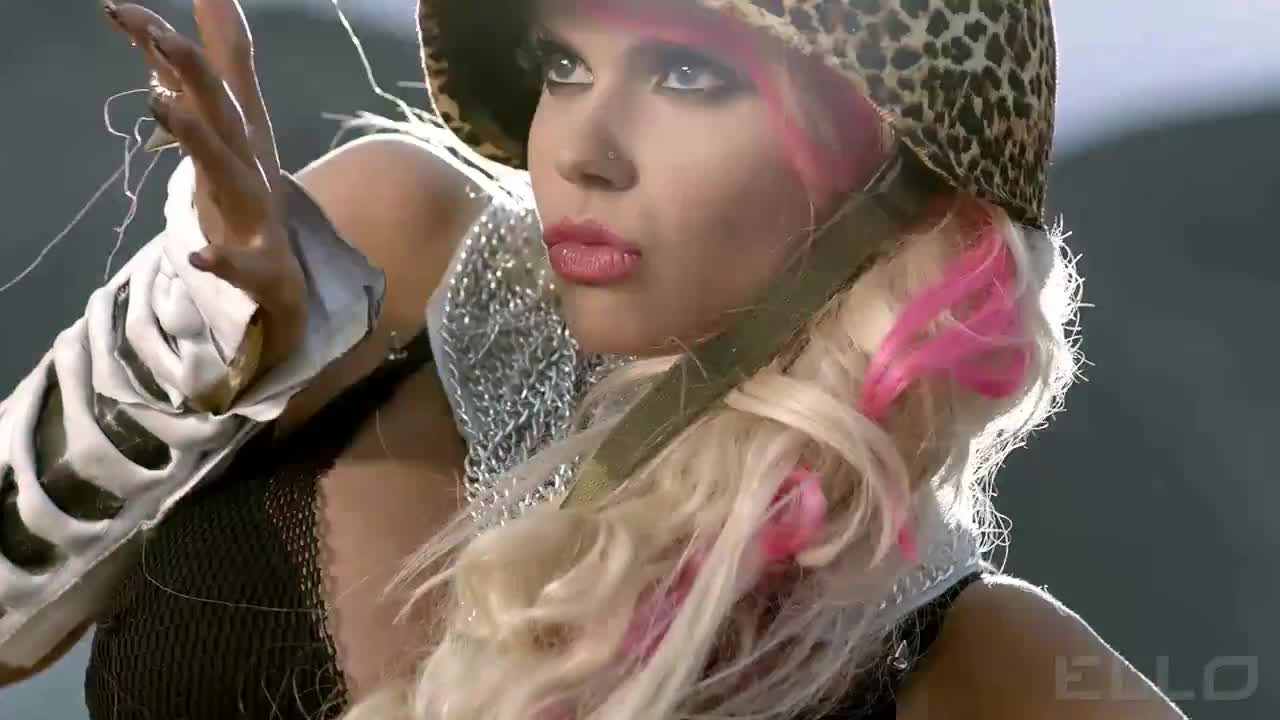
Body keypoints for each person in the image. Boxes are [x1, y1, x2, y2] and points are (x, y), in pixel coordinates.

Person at [0, 0, 1187, 718]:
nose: (580, 148)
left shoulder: (965, 657)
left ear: (895, 175)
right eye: (564, 62)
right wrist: (192, 343)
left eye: (686, 73)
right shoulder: (386, 251)